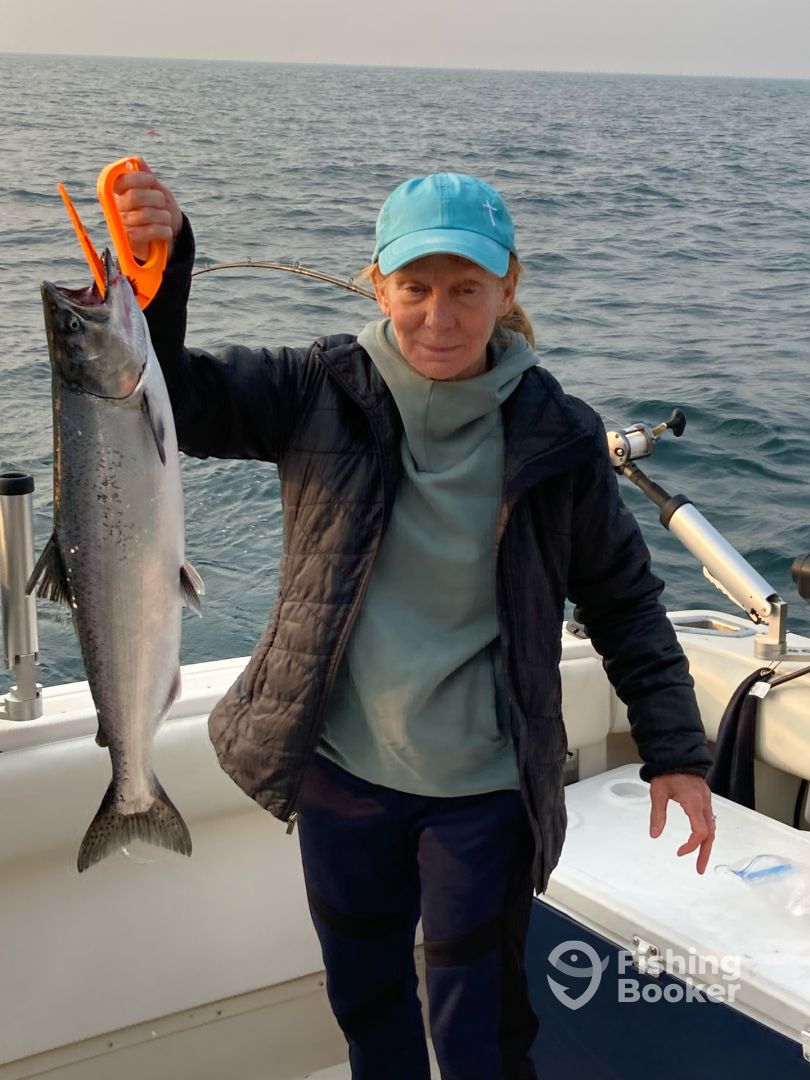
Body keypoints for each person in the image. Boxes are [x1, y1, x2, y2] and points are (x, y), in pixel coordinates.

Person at [115, 163, 714, 1080]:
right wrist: (166, 263)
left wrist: (674, 750)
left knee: (480, 1033)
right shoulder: (317, 389)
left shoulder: (558, 433)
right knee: (368, 1006)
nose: (440, 316)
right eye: (416, 287)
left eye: (467, 288)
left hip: (484, 791)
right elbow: (177, 402)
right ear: (378, 284)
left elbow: (623, 599)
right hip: (341, 776)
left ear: (507, 287)